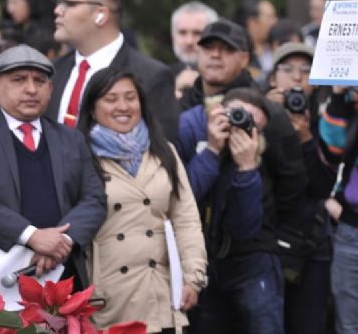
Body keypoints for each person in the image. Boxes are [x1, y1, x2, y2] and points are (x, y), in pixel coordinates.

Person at [77, 68, 207, 333]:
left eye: (130, 97)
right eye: (111, 99)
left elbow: (186, 220)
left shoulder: (164, 151)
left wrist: (193, 277)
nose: (123, 107)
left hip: (160, 291)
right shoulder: (79, 156)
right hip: (108, 296)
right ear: (92, 108)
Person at [177, 87, 307, 333]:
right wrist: (213, 150)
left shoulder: (256, 154)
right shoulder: (193, 129)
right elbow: (183, 199)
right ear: (217, 112)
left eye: (251, 123)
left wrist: (247, 169)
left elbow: (244, 228)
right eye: (236, 114)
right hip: (203, 259)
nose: (240, 124)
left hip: (251, 259)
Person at [0, 45, 106, 288]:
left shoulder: (70, 138)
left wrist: (61, 242)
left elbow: (94, 199)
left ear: (50, 89)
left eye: (39, 81)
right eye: (19, 80)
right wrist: (32, 236)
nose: (31, 89)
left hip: (62, 273)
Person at [46, 0, 179, 141]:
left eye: (69, 4)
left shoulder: (151, 76)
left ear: (101, 14)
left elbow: (162, 153)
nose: (57, 10)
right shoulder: (51, 71)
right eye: (59, 3)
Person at [265, 42, 337, 334]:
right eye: (288, 69)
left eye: (306, 70)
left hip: (310, 240)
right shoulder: (258, 113)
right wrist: (267, 114)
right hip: (268, 237)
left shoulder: (327, 120)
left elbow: (323, 186)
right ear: (273, 79)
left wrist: (307, 138)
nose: (297, 77)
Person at [319, 81, 358, 334]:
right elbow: (332, 150)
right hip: (353, 232)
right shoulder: (348, 108)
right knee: (351, 325)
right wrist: (339, 93)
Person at [170, 1, 219, 98]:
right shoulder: (161, 76)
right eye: (182, 33)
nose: (189, 41)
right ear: (173, 36)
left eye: (197, 33)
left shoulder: (231, 76)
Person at [231, 0, 279, 71]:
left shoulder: (276, 51)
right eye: (270, 17)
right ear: (253, 23)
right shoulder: (239, 57)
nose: (275, 22)